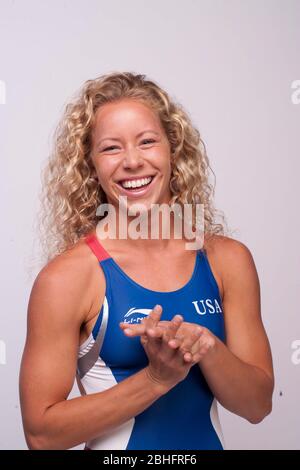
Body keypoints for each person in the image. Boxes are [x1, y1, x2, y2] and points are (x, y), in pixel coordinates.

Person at [19, 72, 274, 450]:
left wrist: (204, 345)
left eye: (147, 142)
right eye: (111, 148)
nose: (133, 161)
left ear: (173, 149)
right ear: (90, 164)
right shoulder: (68, 278)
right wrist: (156, 378)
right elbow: (41, 435)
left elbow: (257, 405)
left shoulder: (226, 260)